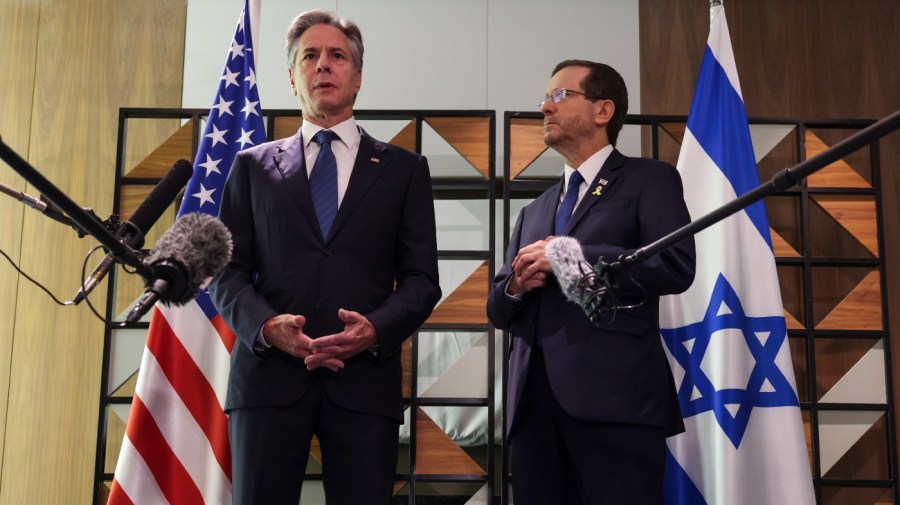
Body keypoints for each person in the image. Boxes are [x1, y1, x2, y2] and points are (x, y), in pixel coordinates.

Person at [209, 9, 441, 505]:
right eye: (309, 56)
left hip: (363, 383)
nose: (323, 65)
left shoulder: (404, 170)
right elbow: (225, 271)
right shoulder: (251, 167)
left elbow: (423, 280)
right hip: (268, 381)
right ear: (292, 78)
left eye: (337, 56)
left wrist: (375, 330)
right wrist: (265, 327)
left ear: (357, 78)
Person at [487, 60, 696, 504]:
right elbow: (498, 309)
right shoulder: (534, 211)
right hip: (533, 407)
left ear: (603, 110)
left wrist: (567, 256)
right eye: (545, 98)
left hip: (616, 401)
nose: (545, 107)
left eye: (560, 95)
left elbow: (675, 264)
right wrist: (516, 287)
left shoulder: (649, 180)